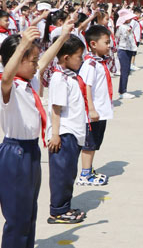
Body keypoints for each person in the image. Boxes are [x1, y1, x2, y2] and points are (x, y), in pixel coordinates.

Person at [0, 25, 70, 248]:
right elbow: (7, 74)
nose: (37, 65)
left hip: (31, 151)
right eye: (32, 61)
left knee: (29, 214)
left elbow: (44, 61)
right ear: (17, 61)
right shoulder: (7, 87)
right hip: (13, 153)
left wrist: (63, 37)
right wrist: (24, 43)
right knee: (16, 218)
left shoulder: (30, 81)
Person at [47, 35, 87, 224]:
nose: (82, 60)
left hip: (74, 132)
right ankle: (58, 211)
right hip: (64, 133)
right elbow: (56, 108)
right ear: (66, 57)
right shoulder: (59, 78)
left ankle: (65, 206)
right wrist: (55, 134)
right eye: (79, 56)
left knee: (69, 172)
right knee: (61, 174)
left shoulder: (70, 76)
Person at [77, 25, 114, 186]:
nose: (109, 45)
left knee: (95, 142)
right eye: (106, 42)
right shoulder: (90, 64)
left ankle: (89, 169)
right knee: (89, 144)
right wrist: (91, 109)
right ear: (93, 44)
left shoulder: (100, 63)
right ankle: (84, 174)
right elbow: (86, 86)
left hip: (101, 110)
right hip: (93, 112)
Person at [115, 8, 137, 99]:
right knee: (125, 71)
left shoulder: (127, 26)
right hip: (123, 49)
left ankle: (123, 90)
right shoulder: (122, 27)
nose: (130, 20)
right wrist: (127, 33)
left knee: (126, 70)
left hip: (128, 49)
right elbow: (120, 36)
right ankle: (122, 91)